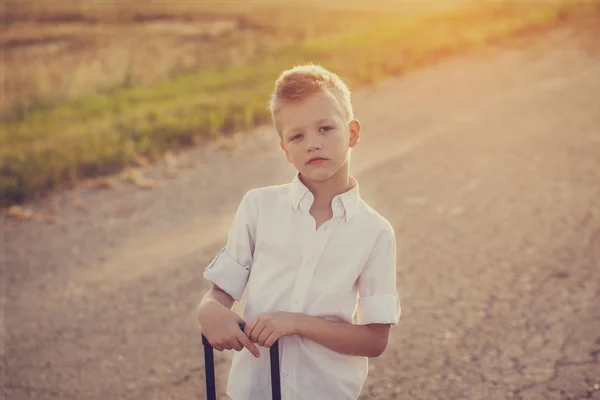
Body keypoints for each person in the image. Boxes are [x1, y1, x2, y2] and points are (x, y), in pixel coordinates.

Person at [196, 64, 401, 400]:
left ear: (352, 133)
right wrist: (209, 310)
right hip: (254, 391)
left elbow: (375, 340)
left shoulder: (375, 232)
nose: (312, 144)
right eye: (297, 136)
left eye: (325, 128)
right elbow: (220, 293)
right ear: (285, 150)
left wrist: (297, 323)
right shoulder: (259, 207)